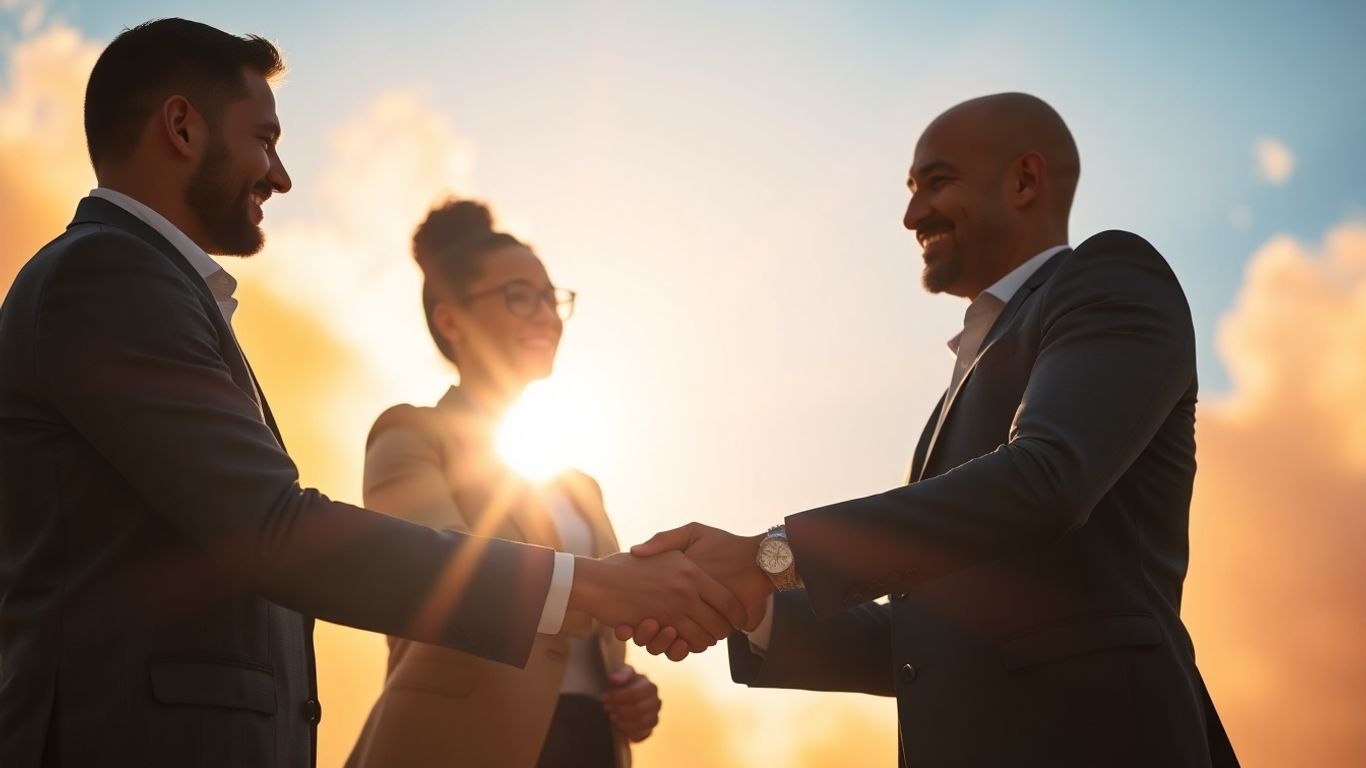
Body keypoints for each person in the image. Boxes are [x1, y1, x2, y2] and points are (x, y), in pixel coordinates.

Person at [0, 19, 742, 767]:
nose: (279, 175)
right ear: (182, 127)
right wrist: (597, 585)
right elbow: (276, 533)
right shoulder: (107, 277)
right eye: (264, 139)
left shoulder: (149, 287)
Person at [627, 93, 1240, 767]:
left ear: (1025, 180)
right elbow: (936, 641)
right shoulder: (962, 382)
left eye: (936, 182)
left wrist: (773, 556)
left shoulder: (1112, 276)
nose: (912, 214)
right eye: (912, 190)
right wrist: (753, 607)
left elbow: (1048, 478)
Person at [346, 200, 659, 767]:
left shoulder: (580, 488)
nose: (545, 314)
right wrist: (607, 591)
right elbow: (432, 573)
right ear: (451, 320)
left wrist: (626, 684)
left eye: (550, 296)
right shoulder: (413, 433)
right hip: (460, 746)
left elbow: (599, 640)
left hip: (587, 746)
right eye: (519, 295)